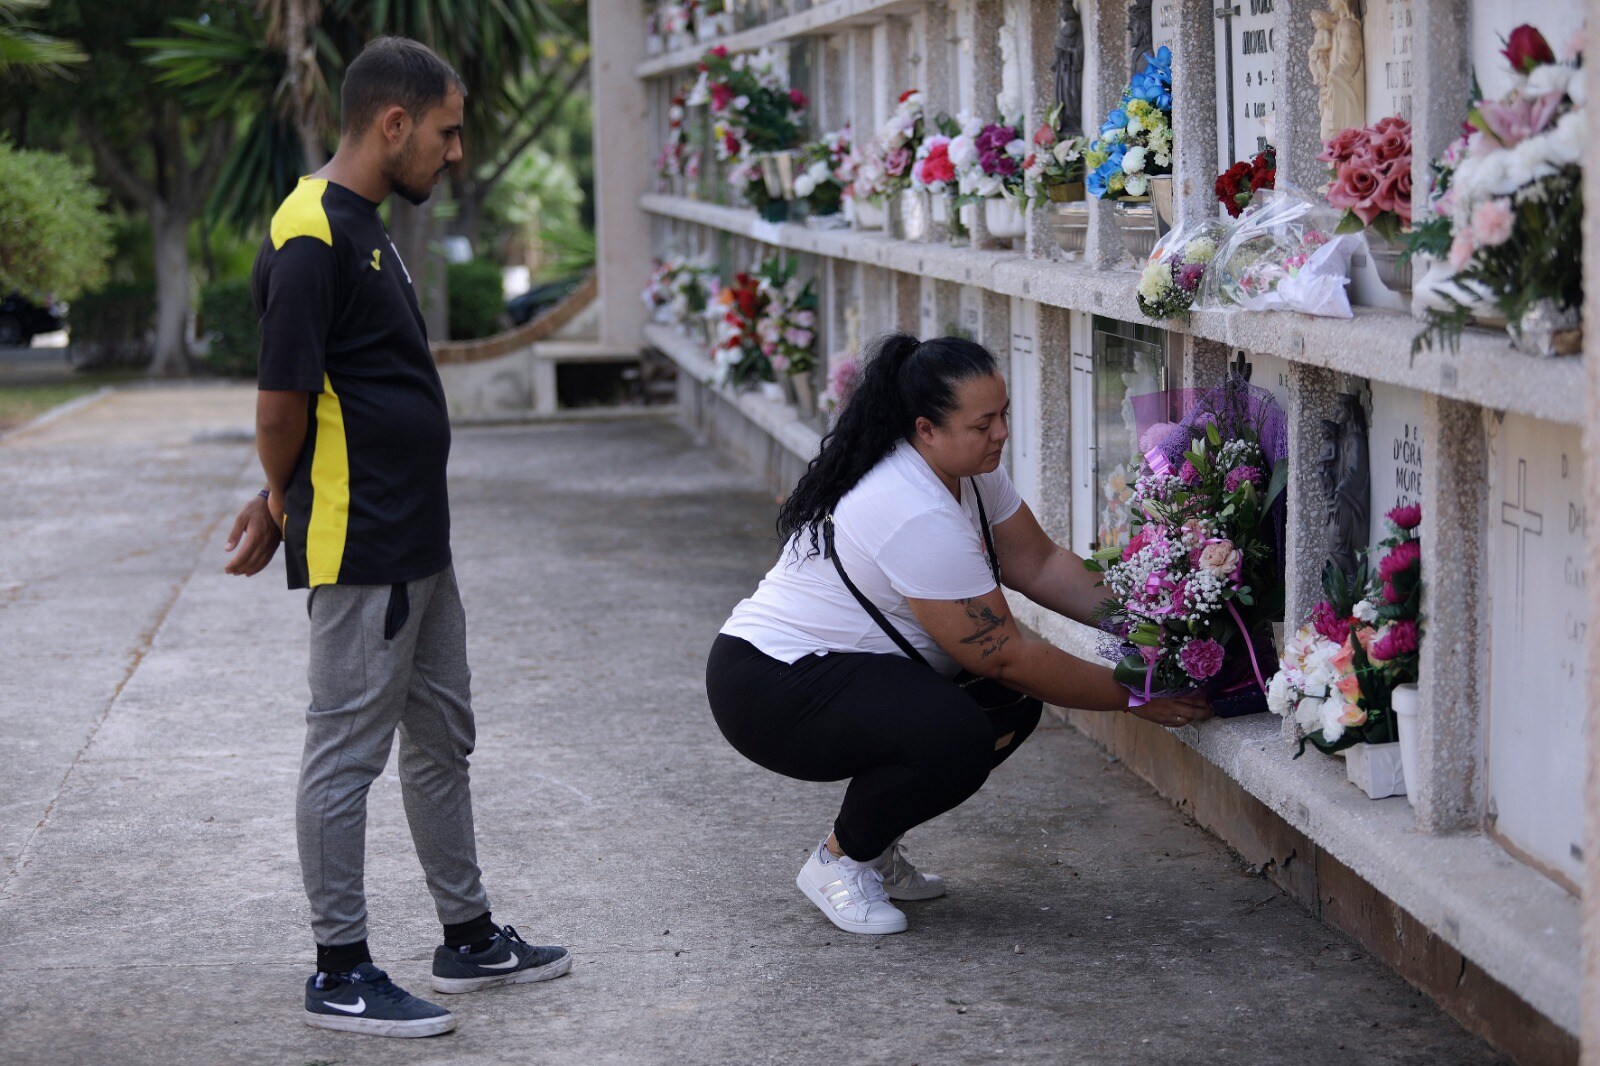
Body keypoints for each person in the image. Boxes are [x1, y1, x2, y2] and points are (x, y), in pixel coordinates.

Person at [221, 36, 569, 1038]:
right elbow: (282, 402)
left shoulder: (361, 226)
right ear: (393, 123)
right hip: (363, 539)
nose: (454, 152)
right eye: (448, 132)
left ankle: (466, 934)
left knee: (442, 735)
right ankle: (338, 968)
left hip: (418, 537)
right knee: (344, 751)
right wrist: (280, 493)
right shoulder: (308, 234)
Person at [705, 334, 1212, 937]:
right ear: (926, 429)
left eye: (1003, 415)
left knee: (1010, 709)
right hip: (772, 686)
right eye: (983, 423)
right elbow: (1004, 655)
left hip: (836, 669)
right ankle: (839, 863)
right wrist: (1136, 694)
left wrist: (1160, 620)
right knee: (959, 731)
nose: (1001, 433)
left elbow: (1043, 566)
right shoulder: (913, 507)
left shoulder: (969, 473)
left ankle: (874, 847)